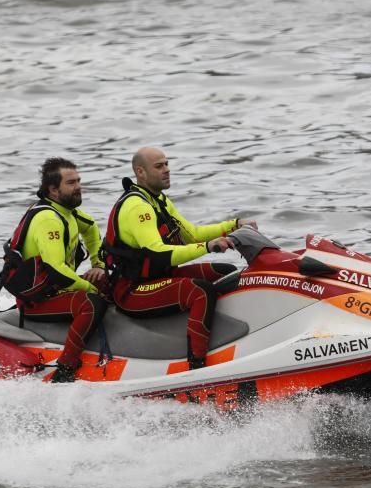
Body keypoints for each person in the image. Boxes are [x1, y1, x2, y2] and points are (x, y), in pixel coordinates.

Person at [102, 147, 258, 370]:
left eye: (166, 164)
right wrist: (207, 247)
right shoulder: (137, 207)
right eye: (159, 166)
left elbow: (191, 234)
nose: (166, 170)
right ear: (140, 172)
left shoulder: (159, 200)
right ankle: (197, 365)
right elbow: (159, 252)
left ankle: (236, 338)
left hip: (160, 277)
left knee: (225, 271)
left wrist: (233, 225)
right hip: (133, 290)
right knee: (201, 291)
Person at [0, 157, 108, 383]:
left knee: (110, 280)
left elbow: (92, 232)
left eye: (79, 180)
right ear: (53, 189)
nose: (79, 186)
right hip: (37, 301)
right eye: (71, 183)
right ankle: (65, 369)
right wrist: (89, 287)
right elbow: (56, 269)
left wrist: (99, 265)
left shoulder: (69, 213)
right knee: (90, 302)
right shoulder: (48, 219)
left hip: (58, 290)